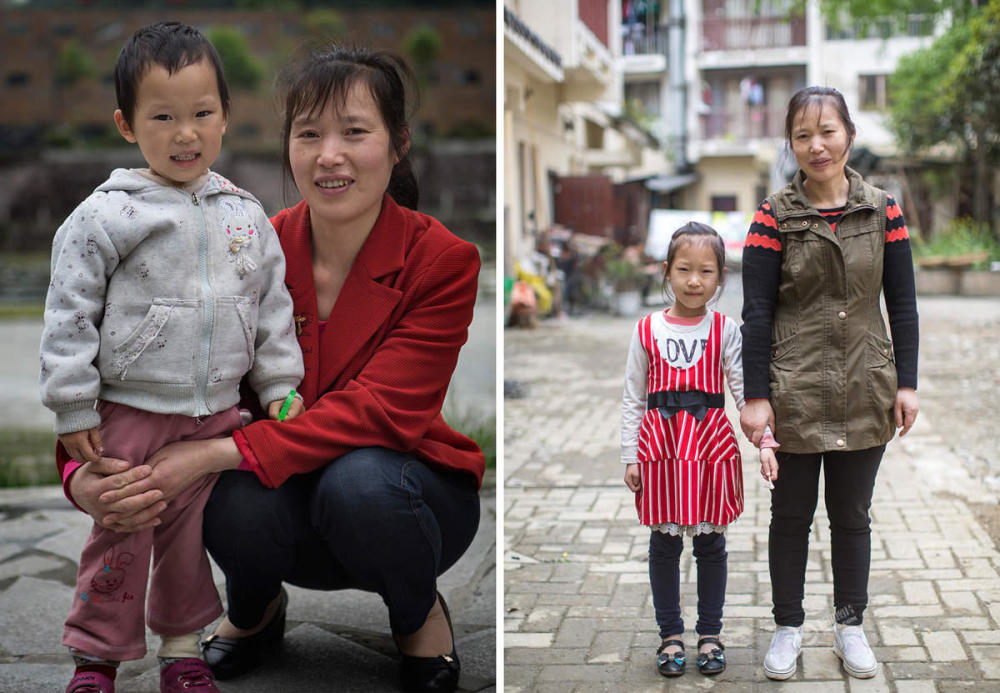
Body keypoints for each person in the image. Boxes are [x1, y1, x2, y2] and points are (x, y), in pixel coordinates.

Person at [61, 45, 484, 693]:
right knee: (230, 497)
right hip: (282, 498)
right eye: (309, 134)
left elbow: (383, 410)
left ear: (399, 144)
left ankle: (417, 611)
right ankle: (255, 607)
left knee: (357, 482)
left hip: (403, 498)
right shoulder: (245, 239)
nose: (329, 155)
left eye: (354, 132)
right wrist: (79, 475)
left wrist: (210, 452)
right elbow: (130, 358)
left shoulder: (443, 260)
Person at [39, 22, 305, 693]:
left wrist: (280, 385)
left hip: (213, 412)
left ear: (225, 117)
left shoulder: (246, 214)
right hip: (130, 408)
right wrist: (73, 405)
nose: (185, 133)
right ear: (127, 125)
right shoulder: (105, 216)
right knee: (121, 528)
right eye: (163, 117)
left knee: (187, 541)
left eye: (202, 114)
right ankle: (96, 658)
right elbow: (68, 312)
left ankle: (183, 650)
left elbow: (271, 309)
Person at [740, 86, 919, 681]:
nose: (816, 146)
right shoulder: (773, 216)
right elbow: (757, 312)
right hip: (793, 389)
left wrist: (908, 383)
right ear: (790, 144)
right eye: (802, 135)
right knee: (790, 516)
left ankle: (849, 626)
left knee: (852, 516)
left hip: (867, 385)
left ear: (849, 135)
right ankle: (787, 628)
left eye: (827, 131)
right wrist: (757, 397)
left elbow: (903, 305)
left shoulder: (884, 211)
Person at [620, 222, 773, 677]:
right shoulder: (646, 329)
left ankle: (710, 635)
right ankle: (670, 635)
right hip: (661, 450)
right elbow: (633, 397)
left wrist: (765, 441)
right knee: (664, 545)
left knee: (711, 544)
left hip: (709, 449)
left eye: (706, 271)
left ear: (720, 277)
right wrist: (630, 455)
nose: (693, 281)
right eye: (684, 269)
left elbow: (745, 394)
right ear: (666, 271)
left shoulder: (725, 330)